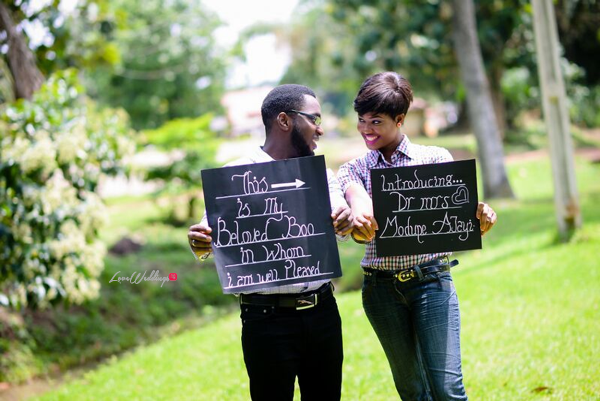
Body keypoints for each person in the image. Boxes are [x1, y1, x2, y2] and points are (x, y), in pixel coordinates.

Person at [337, 71, 498, 400]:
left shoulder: (435, 158)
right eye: (362, 120)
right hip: (380, 291)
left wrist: (479, 215)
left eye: (376, 121)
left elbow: (453, 221)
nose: (366, 129)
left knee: (447, 390)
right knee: (412, 391)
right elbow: (357, 211)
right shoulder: (352, 170)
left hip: (431, 282)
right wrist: (360, 223)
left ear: (400, 120)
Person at [188, 84, 353, 401]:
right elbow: (209, 232)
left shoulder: (320, 173)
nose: (320, 129)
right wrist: (200, 241)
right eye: (313, 119)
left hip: (322, 313)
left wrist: (342, 219)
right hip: (265, 320)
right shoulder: (233, 175)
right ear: (284, 120)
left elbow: (339, 217)